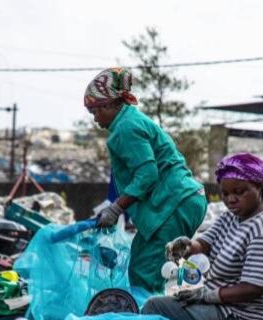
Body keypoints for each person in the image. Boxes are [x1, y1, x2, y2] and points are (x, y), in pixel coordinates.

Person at [142, 153, 263, 320]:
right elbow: (203, 245)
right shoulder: (233, 217)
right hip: (227, 307)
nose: (231, 199)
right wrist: (186, 247)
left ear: (259, 186)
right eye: (225, 193)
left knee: (155, 306)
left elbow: (254, 287)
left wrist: (207, 295)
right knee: (168, 301)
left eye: (239, 192)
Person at [84, 67, 207, 293]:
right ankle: (152, 316)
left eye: (95, 112)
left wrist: (116, 209)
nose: (95, 119)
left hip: (173, 204)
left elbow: (147, 174)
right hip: (180, 201)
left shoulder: (125, 128)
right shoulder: (131, 120)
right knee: (146, 264)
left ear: (108, 105)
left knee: (146, 274)